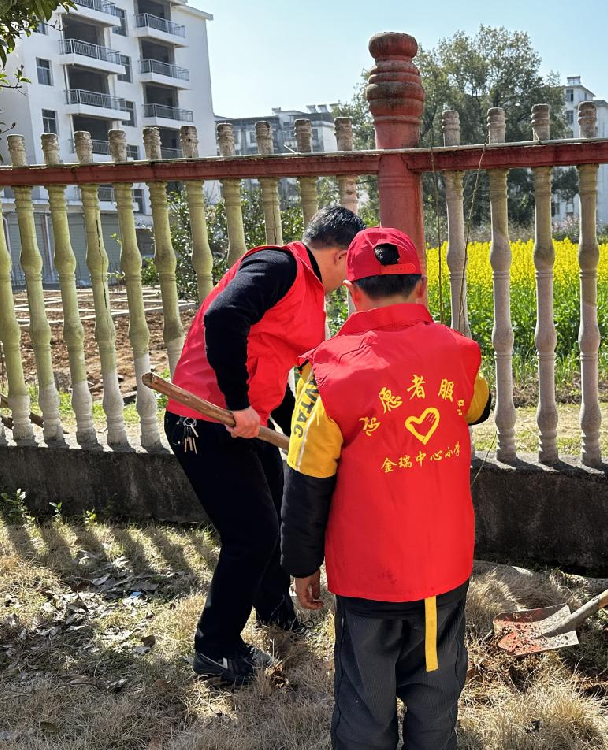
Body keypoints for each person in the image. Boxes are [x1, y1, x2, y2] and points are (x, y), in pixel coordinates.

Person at [280, 226, 491, 750]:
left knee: (364, 706)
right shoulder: (460, 356)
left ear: (352, 292)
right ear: (420, 288)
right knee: (437, 697)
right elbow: (477, 408)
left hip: (369, 579)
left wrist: (302, 565)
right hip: (442, 573)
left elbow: (306, 480)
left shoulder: (327, 373)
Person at [164, 206, 366, 686]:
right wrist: (236, 403)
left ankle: (276, 614)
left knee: (277, 510)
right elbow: (223, 315)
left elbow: (275, 368)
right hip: (205, 420)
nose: (355, 278)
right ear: (340, 255)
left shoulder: (310, 291)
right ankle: (215, 648)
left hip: (243, 423)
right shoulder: (278, 267)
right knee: (251, 534)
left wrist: (300, 429)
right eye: (354, 266)